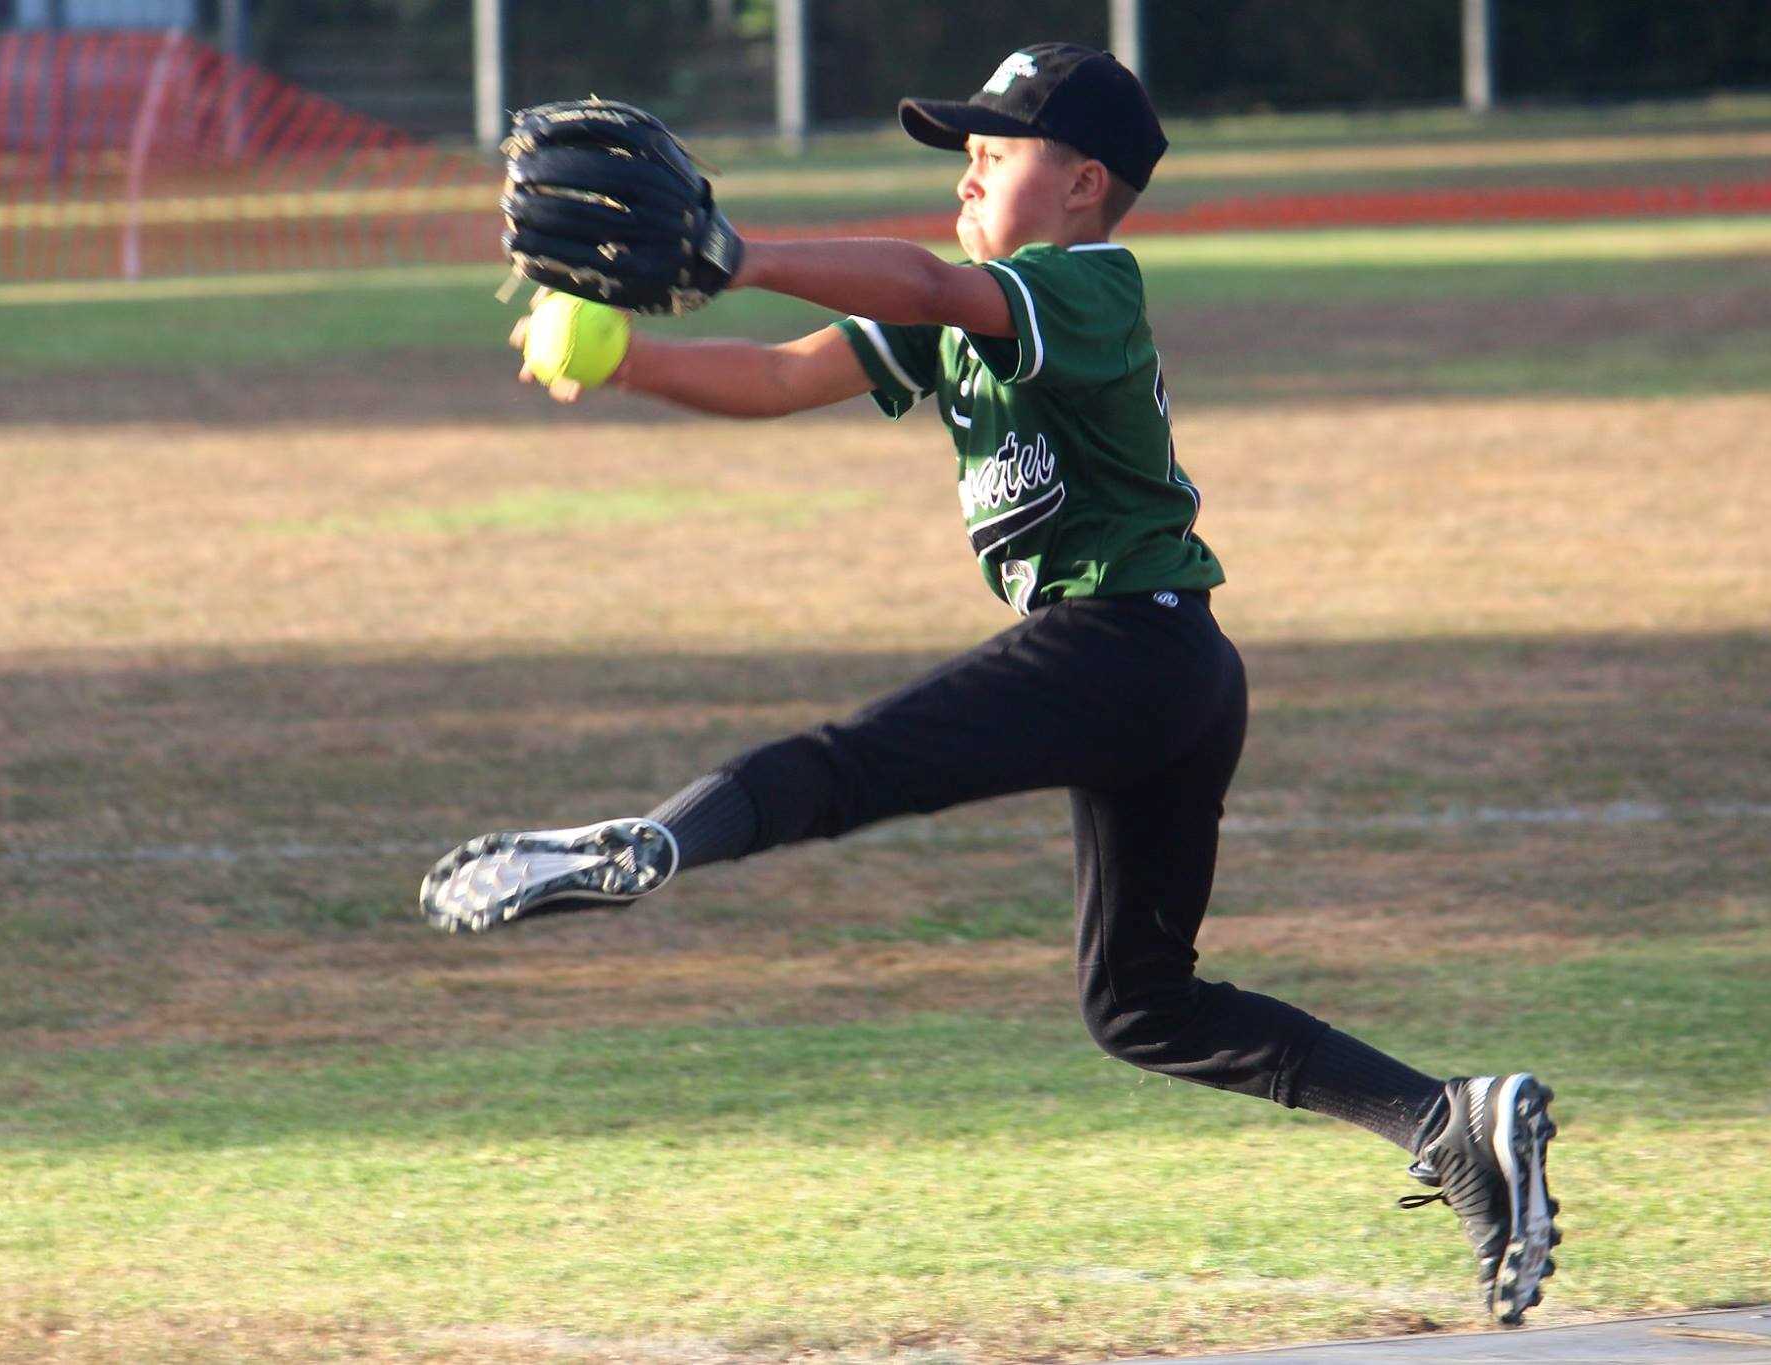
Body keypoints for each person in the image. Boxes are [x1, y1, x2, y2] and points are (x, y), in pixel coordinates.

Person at [422, 42, 1560, 1325]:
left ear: (1083, 184)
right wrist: (626, 362)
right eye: (960, 151)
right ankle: (1449, 1121)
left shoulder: (1083, 286)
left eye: (993, 150)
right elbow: (784, 375)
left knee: (856, 762)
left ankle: (651, 843)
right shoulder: (966, 310)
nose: (964, 169)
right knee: (1141, 1006)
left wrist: (737, 254)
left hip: (1125, 644)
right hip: (1162, 673)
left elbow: (925, 282)